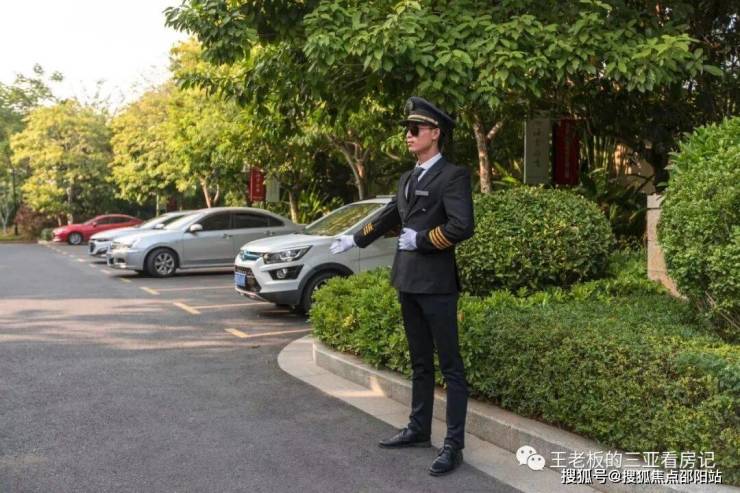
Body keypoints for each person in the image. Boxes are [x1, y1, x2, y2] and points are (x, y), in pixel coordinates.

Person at [330, 96, 475, 476]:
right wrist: (355, 239)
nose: (408, 136)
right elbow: (388, 215)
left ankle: (453, 445)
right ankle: (418, 429)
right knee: (420, 362)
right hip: (407, 280)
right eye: (406, 130)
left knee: (450, 366)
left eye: (415, 129)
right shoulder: (408, 178)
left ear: (435, 133)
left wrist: (423, 239)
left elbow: (463, 226)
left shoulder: (453, 175)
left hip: (437, 285)